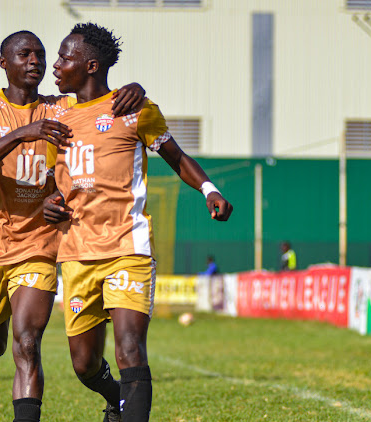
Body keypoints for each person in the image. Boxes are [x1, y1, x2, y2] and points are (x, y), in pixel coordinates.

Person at [43, 23, 233, 421]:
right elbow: (49, 180)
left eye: (65, 57)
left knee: (130, 347)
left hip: (128, 247)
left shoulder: (134, 111)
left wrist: (209, 190)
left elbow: (177, 157)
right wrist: (49, 200)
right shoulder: (54, 113)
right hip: (76, 253)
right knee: (83, 364)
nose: (56, 65)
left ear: (90, 65)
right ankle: (114, 398)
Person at [0, 30, 145, 422]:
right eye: (24, 54)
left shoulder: (60, 107)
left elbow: (100, 100)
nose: (36, 61)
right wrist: (23, 133)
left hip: (39, 245)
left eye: (41, 54)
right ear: (4, 63)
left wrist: (135, 90)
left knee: (27, 341)